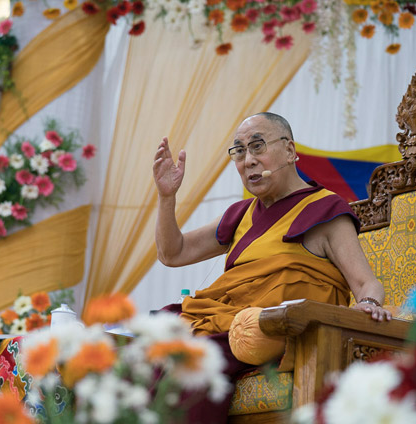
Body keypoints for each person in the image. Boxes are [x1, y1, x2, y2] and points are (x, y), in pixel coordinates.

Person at [153, 112, 391, 422]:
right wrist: (166, 196)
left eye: (257, 146)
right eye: (239, 151)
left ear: (290, 151)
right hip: (227, 326)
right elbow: (173, 252)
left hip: (276, 332)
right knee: (144, 354)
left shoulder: (324, 210)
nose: (248, 160)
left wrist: (370, 305)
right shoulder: (240, 215)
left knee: (193, 365)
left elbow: (365, 284)